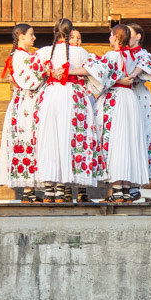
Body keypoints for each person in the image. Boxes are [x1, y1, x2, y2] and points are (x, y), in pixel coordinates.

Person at [33, 19, 99, 203]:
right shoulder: (80, 52)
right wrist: (72, 72)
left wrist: (49, 73)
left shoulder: (46, 51)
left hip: (50, 95)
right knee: (67, 138)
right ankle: (62, 188)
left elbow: (32, 70)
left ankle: (49, 190)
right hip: (72, 96)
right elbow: (96, 70)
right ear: (70, 34)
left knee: (49, 139)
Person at [89, 24, 149, 203]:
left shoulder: (111, 56)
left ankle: (116, 191)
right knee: (128, 141)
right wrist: (130, 76)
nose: (109, 38)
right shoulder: (133, 56)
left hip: (116, 98)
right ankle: (125, 189)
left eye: (110, 35)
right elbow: (143, 67)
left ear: (115, 38)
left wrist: (72, 70)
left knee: (115, 140)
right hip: (130, 98)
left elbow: (97, 72)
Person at [0, 24, 47, 202]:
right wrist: (46, 72)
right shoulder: (20, 56)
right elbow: (31, 82)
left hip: (29, 101)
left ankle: (30, 190)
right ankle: (28, 190)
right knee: (28, 140)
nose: (34, 38)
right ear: (21, 36)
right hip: (26, 103)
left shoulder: (25, 56)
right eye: (31, 34)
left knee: (33, 141)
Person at [125, 24, 151, 201]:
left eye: (129, 33)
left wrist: (132, 76)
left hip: (138, 95)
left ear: (138, 36)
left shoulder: (144, 55)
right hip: (122, 95)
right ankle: (122, 181)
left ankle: (135, 183)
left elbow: (146, 67)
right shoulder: (119, 54)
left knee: (141, 135)